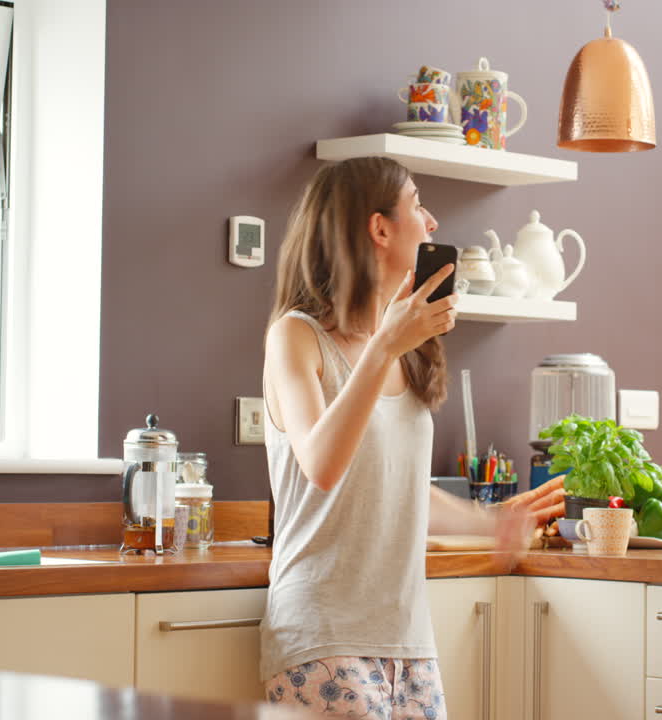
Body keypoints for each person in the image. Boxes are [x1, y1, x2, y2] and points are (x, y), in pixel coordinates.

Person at [259, 156, 532, 719]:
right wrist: (385, 344)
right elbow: (322, 464)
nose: (432, 222)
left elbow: (398, 489)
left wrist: (491, 522)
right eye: (416, 204)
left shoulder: (408, 351)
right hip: (322, 636)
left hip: (411, 645)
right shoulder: (296, 337)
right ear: (379, 228)